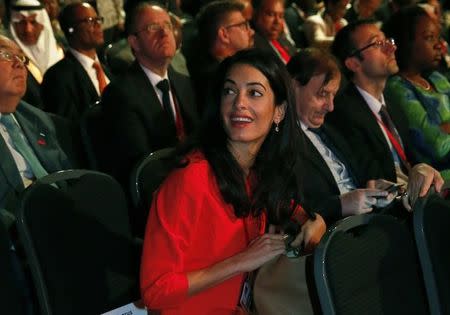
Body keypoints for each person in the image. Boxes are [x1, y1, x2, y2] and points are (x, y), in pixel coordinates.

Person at [140, 48, 326, 314]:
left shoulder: (259, 171)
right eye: (229, 91)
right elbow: (156, 291)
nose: (239, 102)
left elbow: (295, 211)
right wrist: (242, 261)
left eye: (254, 93)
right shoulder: (190, 179)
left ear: (279, 112)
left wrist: (314, 222)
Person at [328, 20, 444, 209]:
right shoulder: (343, 113)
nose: (391, 48)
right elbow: (369, 179)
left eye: (388, 41)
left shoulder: (391, 103)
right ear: (354, 63)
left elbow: (411, 158)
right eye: (378, 43)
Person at [102, 2, 198, 190]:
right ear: (134, 42)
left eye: (168, 25)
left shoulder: (185, 83)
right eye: (153, 28)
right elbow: (141, 164)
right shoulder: (120, 94)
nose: (164, 33)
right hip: (158, 189)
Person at [0, 34, 70, 210]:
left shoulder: (36, 118)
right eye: (7, 56)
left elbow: (66, 175)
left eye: (22, 58)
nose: (19, 64)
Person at [383, 6, 450, 174]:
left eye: (438, 37)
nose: (439, 45)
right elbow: (438, 146)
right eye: (429, 37)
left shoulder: (436, 78)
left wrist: (443, 126)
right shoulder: (397, 88)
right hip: (439, 177)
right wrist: (440, 130)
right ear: (405, 43)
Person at [41, 2, 111, 122]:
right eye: (89, 20)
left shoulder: (106, 68)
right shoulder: (59, 76)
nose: (98, 25)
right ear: (71, 29)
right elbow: (66, 125)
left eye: (98, 19)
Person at [190, 0, 255, 112]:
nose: (251, 31)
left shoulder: (230, 70)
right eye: (243, 25)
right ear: (224, 35)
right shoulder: (215, 80)